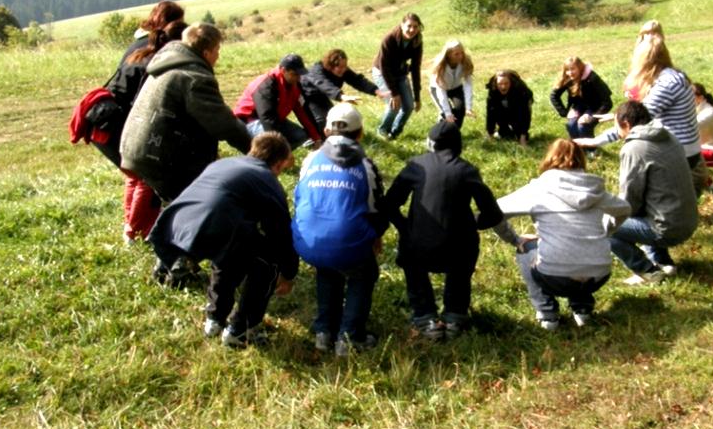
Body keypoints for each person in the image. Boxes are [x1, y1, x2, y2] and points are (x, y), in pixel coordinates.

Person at [148, 132, 297, 348]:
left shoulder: (224, 164)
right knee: (268, 259)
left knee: (229, 253)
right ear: (279, 163)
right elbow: (281, 234)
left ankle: (214, 320)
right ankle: (241, 329)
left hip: (175, 226)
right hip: (213, 226)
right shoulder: (268, 181)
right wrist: (288, 273)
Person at [381, 122, 504, 340]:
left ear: (431, 144)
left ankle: (425, 317)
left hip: (418, 246)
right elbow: (493, 215)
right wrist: (471, 221)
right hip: (458, 248)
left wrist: (405, 227)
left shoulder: (415, 166)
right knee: (462, 259)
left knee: (413, 263)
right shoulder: (466, 170)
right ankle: (454, 316)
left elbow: (389, 204)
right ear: (458, 145)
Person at [493, 139, 630, 329]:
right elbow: (624, 209)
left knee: (525, 249)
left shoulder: (539, 188)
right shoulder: (594, 189)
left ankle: (547, 315)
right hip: (598, 276)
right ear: (581, 160)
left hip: (554, 277)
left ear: (549, 159)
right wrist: (605, 229)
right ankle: (583, 310)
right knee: (579, 253)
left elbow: (494, 211)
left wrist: (514, 239)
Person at [291, 103, 388, 356]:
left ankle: (324, 332)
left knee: (328, 268)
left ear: (325, 130)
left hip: (307, 240)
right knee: (363, 273)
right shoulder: (365, 165)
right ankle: (349, 337)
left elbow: (299, 196)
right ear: (360, 133)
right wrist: (376, 237)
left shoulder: (310, 159)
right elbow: (377, 207)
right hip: (346, 241)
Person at [121, 23, 251, 206]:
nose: (218, 56)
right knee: (198, 203)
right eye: (217, 50)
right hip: (158, 155)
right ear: (206, 53)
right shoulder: (194, 77)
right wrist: (257, 150)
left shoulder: (167, 63)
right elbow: (222, 123)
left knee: (182, 203)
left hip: (138, 147)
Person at [94, 0, 185, 243]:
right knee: (146, 172)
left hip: (103, 116)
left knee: (135, 174)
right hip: (114, 120)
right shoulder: (155, 55)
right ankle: (136, 231)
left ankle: (134, 226)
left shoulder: (140, 43)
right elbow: (145, 101)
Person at [575, 32, 704, 192]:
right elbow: (645, 110)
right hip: (684, 147)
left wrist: (595, 141)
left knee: (634, 160)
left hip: (679, 152)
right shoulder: (672, 76)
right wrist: (614, 116)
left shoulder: (667, 85)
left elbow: (636, 121)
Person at [607, 101, 698, 284]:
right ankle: (662, 261)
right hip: (689, 219)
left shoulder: (635, 148)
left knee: (603, 227)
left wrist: (608, 214)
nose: (618, 133)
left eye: (617, 127)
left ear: (625, 124)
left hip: (667, 229)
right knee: (652, 203)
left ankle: (648, 271)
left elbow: (629, 201)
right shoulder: (669, 136)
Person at [234, 53, 323, 149]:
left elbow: (302, 111)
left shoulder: (294, 84)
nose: (298, 78)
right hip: (250, 120)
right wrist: (278, 146)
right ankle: (266, 158)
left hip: (275, 118)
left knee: (300, 136)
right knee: (271, 144)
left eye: (300, 74)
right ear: (283, 70)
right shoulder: (266, 85)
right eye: (294, 74)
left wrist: (316, 137)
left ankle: (279, 158)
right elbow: (266, 118)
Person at [300, 48, 390, 135]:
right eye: (340, 67)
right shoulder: (317, 71)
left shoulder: (343, 70)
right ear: (330, 66)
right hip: (307, 96)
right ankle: (311, 139)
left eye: (345, 66)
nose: (343, 69)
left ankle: (337, 140)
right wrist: (341, 96)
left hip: (321, 96)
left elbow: (357, 80)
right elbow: (324, 84)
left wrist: (376, 91)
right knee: (320, 121)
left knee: (333, 119)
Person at [371, 13, 423, 139]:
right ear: (401, 25)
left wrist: (417, 97)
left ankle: (394, 133)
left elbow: (415, 69)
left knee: (409, 106)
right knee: (395, 104)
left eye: (415, 27)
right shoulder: (389, 39)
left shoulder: (417, 41)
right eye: (409, 26)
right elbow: (384, 67)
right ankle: (382, 130)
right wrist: (394, 93)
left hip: (400, 73)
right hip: (382, 72)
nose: (412, 30)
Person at [549, 56, 613, 141]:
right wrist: (565, 112)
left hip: (595, 107)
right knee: (571, 125)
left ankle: (591, 150)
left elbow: (607, 102)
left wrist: (592, 117)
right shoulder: (568, 79)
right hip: (579, 107)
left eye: (573, 69)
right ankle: (577, 148)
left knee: (583, 125)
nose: (570, 73)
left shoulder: (592, 78)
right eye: (567, 70)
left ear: (580, 68)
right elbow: (554, 95)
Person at [428, 39, 475, 128]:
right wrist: (447, 112)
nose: (460, 56)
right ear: (448, 55)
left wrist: (468, 107)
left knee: (460, 109)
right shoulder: (440, 66)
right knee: (445, 114)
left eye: (462, 53)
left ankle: (455, 132)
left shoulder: (465, 62)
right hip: (438, 89)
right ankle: (440, 133)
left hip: (456, 88)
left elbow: (468, 84)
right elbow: (441, 91)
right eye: (456, 54)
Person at [485, 69, 533, 146]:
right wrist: (489, 133)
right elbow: (490, 113)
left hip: (519, 107)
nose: (503, 87)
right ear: (496, 84)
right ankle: (502, 130)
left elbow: (525, 115)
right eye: (500, 84)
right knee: (504, 132)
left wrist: (522, 137)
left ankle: (521, 134)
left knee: (519, 130)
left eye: (506, 83)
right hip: (502, 106)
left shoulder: (520, 90)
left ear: (511, 82)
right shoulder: (493, 90)